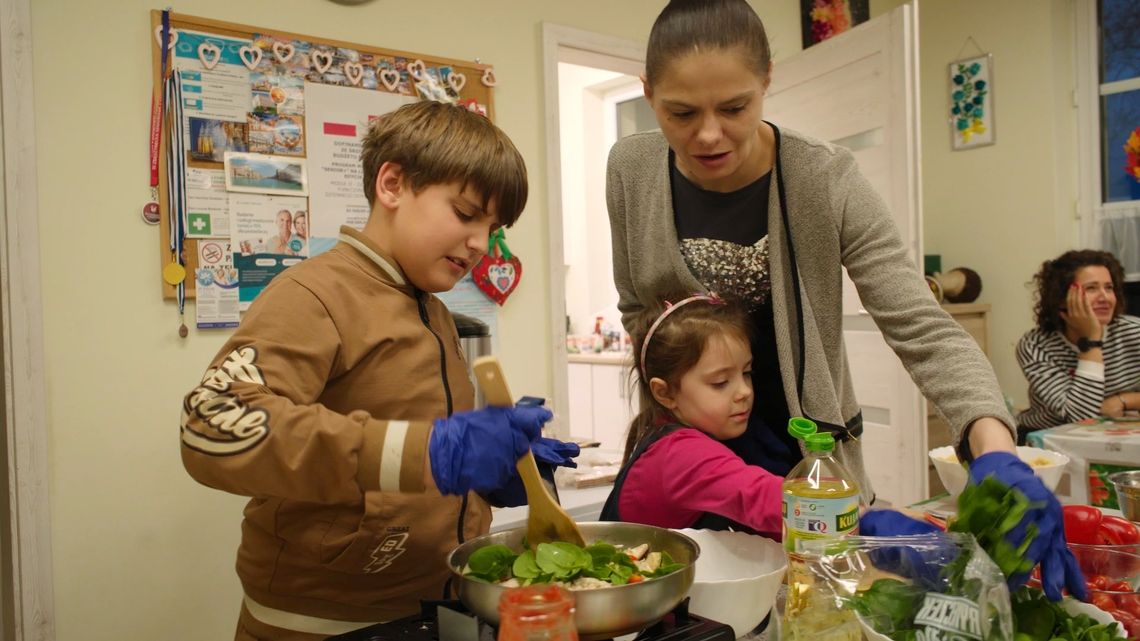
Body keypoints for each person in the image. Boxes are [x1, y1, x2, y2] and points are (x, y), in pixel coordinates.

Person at [607, 0, 1082, 600]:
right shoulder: (630, 168)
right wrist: (677, 421)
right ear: (648, 93)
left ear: (767, 82)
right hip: (695, 455)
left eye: (735, 107)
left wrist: (994, 447)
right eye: (680, 112)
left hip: (804, 457)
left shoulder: (823, 179)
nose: (708, 134)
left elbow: (921, 325)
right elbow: (637, 310)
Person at [181, 100, 577, 640]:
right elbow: (210, 427)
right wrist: (436, 453)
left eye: (493, 226)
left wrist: (495, 472)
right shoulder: (313, 294)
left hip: (427, 611)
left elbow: (403, 449)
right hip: (322, 624)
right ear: (392, 184)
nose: (482, 244)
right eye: (465, 214)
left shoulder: (431, 307)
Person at [599, 293, 783, 538]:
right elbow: (761, 497)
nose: (745, 391)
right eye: (720, 382)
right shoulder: (682, 454)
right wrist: (840, 508)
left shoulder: (664, 434)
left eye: (747, 372)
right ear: (665, 393)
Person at [1016, 249, 1140, 437]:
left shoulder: (1134, 332)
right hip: (1046, 438)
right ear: (1061, 298)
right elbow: (1081, 418)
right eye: (1091, 288)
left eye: (1109, 287)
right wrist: (1091, 341)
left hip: (1116, 434)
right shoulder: (1035, 345)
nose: (1105, 297)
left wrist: (1123, 400)